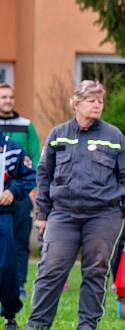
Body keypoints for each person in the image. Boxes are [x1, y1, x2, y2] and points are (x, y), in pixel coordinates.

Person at [26, 80, 125, 330]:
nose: (97, 105)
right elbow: (44, 176)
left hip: (104, 214)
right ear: (76, 104)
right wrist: (42, 214)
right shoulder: (58, 134)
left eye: (100, 101)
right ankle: (36, 326)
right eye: (91, 100)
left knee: (96, 268)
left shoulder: (113, 136)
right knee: (51, 267)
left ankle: (87, 327)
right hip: (63, 213)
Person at [0, 83, 41, 299]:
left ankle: (21, 284)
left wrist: (32, 191)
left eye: (11, 97)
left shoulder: (26, 125)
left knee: (20, 239)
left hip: (20, 194)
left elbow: (35, 158)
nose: (8, 100)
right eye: (3, 97)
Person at [0, 132, 36, 330]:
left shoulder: (11, 147)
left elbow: (29, 175)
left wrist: (12, 191)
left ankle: (10, 315)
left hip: (2, 214)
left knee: (7, 264)